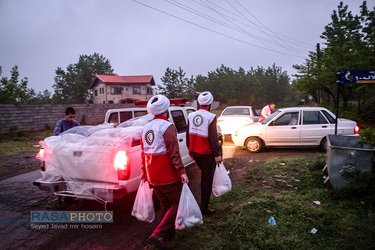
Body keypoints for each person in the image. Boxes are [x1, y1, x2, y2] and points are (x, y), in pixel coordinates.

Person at [140, 95, 189, 247]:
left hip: (153, 174)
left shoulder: (145, 128)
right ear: (166, 110)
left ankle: (167, 236)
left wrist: (144, 174)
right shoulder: (167, 127)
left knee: (165, 205)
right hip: (167, 174)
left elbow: (143, 153)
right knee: (178, 202)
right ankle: (158, 233)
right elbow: (174, 153)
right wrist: (182, 172)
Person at [186, 91, 222, 215]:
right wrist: (217, 155)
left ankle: (203, 205)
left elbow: (187, 135)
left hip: (194, 152)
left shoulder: (191, 116)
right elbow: (213, 138)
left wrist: (190, 149)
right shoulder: (211, 117)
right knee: (207, 179)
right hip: (206, 153)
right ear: (210, 104)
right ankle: (204, 208)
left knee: (204, 176)